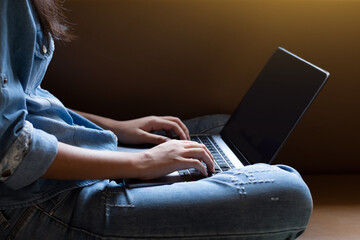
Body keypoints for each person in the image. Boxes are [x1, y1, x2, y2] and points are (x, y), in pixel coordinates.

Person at [0, 0, 312, 239]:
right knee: (287, 194)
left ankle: (212, 174)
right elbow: (10, 149)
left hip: (58, 167)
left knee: (220, 128)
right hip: (37, 204)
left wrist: (116, 128)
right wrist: (143, 162)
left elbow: (26, 98)